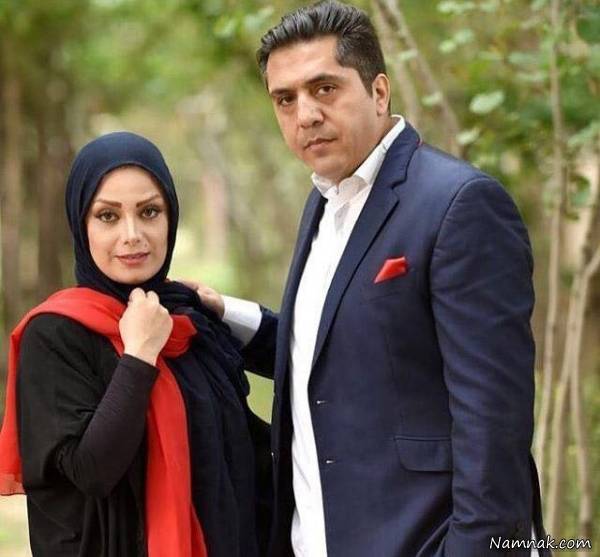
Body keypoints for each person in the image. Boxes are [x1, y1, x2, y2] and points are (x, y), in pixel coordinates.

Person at [192, 2, 548, 556]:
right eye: (285, 99)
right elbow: (344, 353)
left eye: (324, 89)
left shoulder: (459, 205)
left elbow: (494, 433)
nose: (306, 114)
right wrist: (228, 315)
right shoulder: (322, 201)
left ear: (379, 92)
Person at [0, 132, 267, 557]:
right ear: (81, 225)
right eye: (108, 216)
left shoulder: (190, 322)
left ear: (171, 218)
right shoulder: (55, 334)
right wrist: (139, 356)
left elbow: (249, 455)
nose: (132, 234)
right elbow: (91, 472)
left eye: (149, 212)